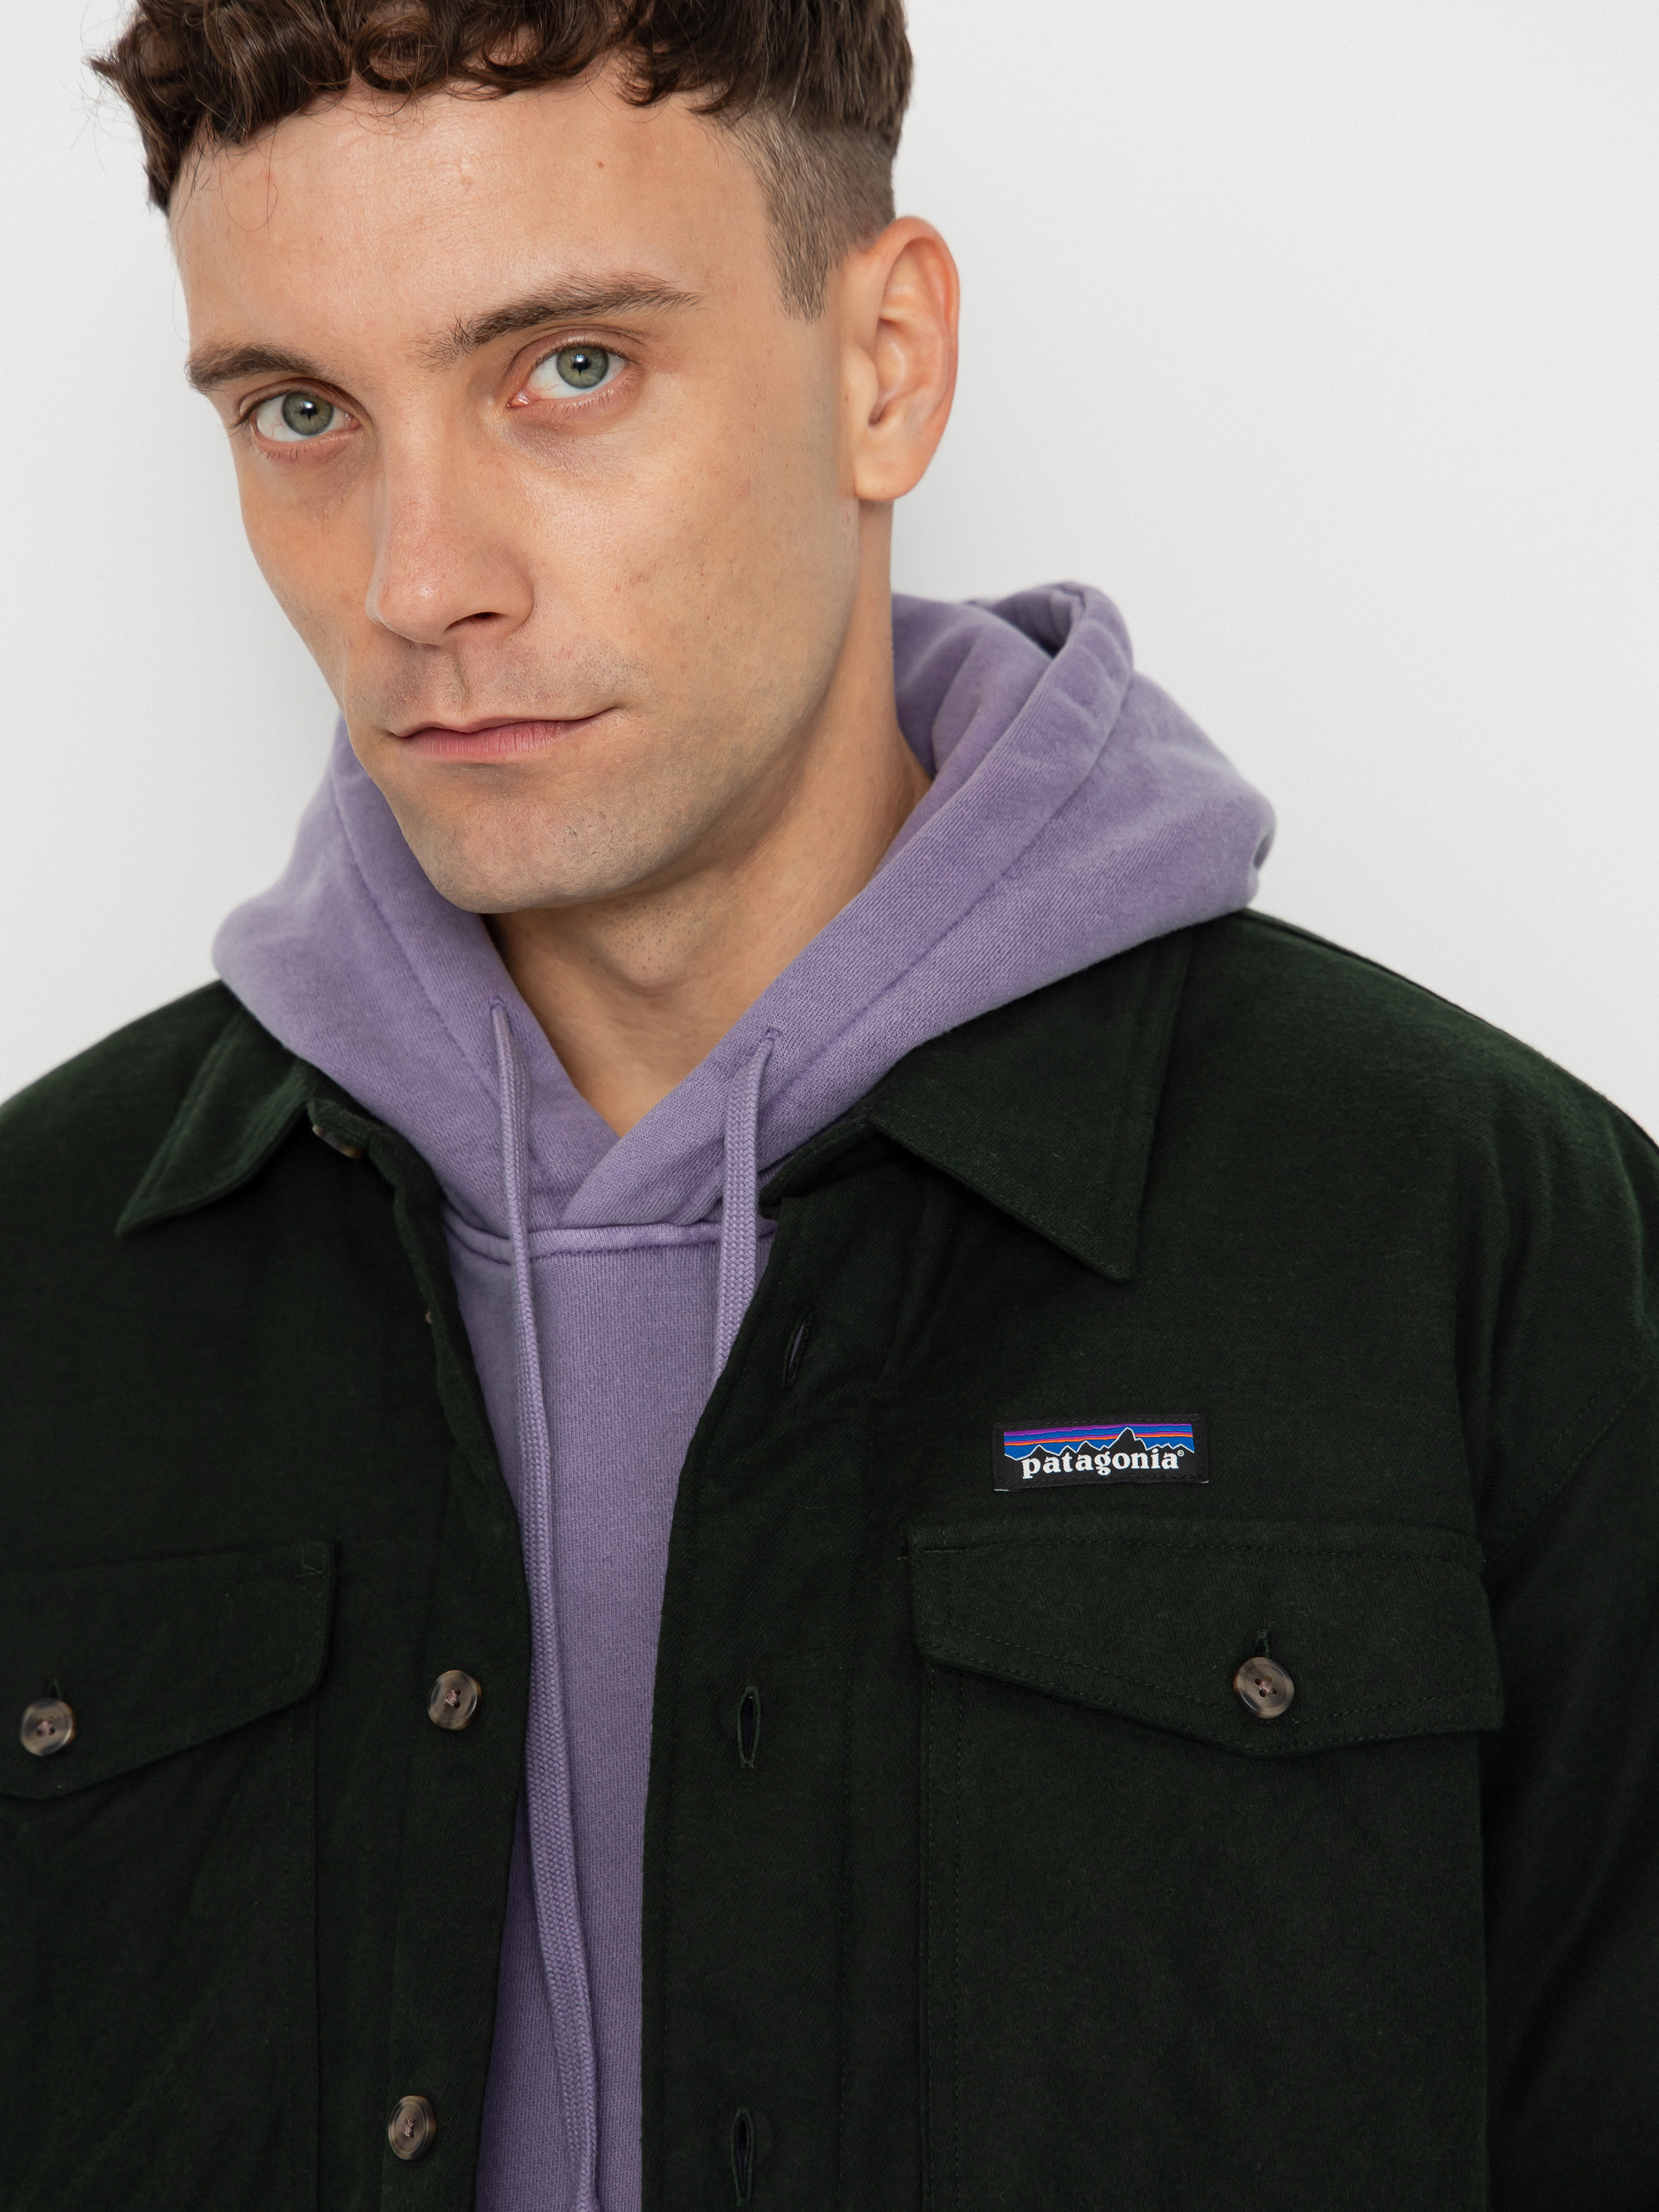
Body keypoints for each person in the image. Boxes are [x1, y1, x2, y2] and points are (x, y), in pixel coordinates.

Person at [3, 3, 1656, 2207]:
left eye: (567, 366)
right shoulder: (39, 1283)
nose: (417, 580)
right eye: (299, 411)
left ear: (886, 365)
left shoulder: (1479, 1236)